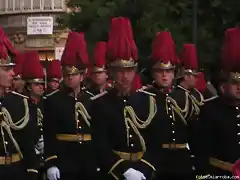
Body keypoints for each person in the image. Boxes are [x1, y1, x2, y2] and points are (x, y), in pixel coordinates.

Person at [91, 17, 157, 180]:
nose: (125, 76)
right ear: (111, 73)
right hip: (116, 173)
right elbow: (100, 146)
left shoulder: (148, 101)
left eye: (129, 70)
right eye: (120, 71)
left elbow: (156, 142)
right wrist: (124, 170)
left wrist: (144, 169)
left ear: (135, 71)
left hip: (144, 173)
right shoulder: (100, 104)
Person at [139, 32, 195, 180]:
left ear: (174, 73)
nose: (164, 75)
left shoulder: (184, 97)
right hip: (157, 163)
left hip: (183, 163)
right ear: (152, 73)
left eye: (168, 71)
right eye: (160, 71)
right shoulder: (144, 98)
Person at [44, 32, 99, 180]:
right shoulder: (53, 101)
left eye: (73, 74)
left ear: (81, 76)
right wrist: (51, 162)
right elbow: (49, 135)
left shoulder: (92, 100)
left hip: (88, 161)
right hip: (64, 161)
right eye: (66, 74)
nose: (69, 77)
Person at [198, 27, 240, 177]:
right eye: (235, 82)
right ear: (225, 83)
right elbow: (201, 154)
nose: (239, 87)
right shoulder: (210, 110)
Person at [0, 27, 38, 180]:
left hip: (17, 171)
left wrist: (32, 171)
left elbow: (27, 143)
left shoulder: (19, 103)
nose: (13, 74)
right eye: (6, 69)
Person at [22, 50, 45, 179]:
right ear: (29, 87)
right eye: (37, 84)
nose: (41, 87)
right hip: (30, 156)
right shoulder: (24, 106)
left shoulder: (45, 104)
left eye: (42, 84)